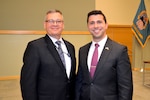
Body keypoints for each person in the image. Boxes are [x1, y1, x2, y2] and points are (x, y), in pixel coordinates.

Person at [75, 10, 133, 100]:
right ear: (88, 27)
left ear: (106, 25)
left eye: (99, 22)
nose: (96, 26)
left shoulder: (119, 50)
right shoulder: (82, 50)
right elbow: (79, 81)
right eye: (92, 23)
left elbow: (125, 86)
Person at [20, 9, 76, 100]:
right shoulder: (35, 47)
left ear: (63, 25)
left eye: (58, 21)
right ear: (44, 25)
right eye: (50, 21)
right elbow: (28, 83)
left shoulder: (70, 47)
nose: (55, 24)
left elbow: (71, 78)